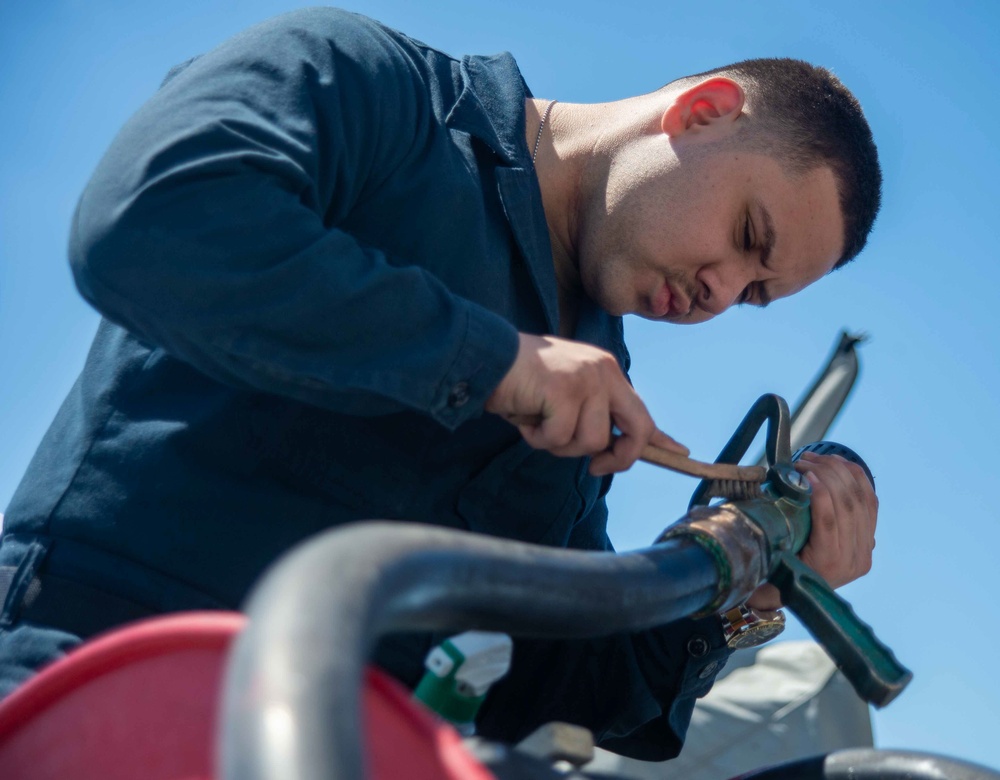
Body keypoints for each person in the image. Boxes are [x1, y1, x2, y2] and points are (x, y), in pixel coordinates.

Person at [0, 7, 879, 761]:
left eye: (754, 294)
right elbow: (152, 221)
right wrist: (493, 364)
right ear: (703, 112)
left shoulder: (589, 376)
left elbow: (560, 679)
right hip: (83, 689)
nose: (719, 292)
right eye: (745, 234)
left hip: (331, 755)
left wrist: (745, 581)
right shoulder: (370, 84)